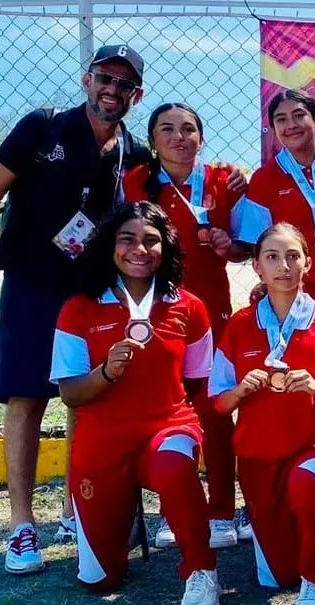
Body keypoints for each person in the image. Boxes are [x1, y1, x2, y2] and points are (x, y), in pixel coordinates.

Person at [0, 45, 152, 574]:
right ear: (87, 79)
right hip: (31, 283)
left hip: (88, 291)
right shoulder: (43, 126)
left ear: (136, 95)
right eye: (105, 78)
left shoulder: (131, 151)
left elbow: (169, 187)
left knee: (85, 396)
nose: (112, 90)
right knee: (26, 397)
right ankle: (21, 526)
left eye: (124, 84)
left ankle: (77, 509)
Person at [49, 201, 220, 605]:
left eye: (151, 240)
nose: (139, 250)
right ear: (110, 245)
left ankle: (202, 571)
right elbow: (71, 394)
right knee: (100, 581)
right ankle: (122, 513)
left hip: (167, 427)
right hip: (103, 442)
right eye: (127, 239)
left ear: (166, 248)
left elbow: (195, 382)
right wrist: (107, 373)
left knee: (173, 465)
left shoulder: (190, 307)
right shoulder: (78, 308)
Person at [233, 89, 315, 535]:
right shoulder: (264, 179)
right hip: (287, 300)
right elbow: (254, 245)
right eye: (281, 119)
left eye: (299, 116)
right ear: (273, 129)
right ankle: (267, 489)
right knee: (277, 391)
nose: (291, 125)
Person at [209, 223, 315, 605]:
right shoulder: (240, 324)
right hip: (259, 451)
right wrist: (241, 390)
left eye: (292, 256)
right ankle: (295, 563)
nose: (283, 266)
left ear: (308, 263)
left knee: (306, 484)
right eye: (272, 257)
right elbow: (218, 402)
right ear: (256, 266)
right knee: (277, 576)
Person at [123, 103, 244, 549]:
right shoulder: (135, 182)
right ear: (153, 139)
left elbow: (244, 248)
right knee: (166, 408)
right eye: (168, 129)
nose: (179, 137)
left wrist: (229, 246)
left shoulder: (225, 180)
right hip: (155, 311)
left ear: (201, 137)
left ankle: (223, 511)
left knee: (214, 409)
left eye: (189, 129)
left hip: (210, 309)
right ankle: (175, 509)